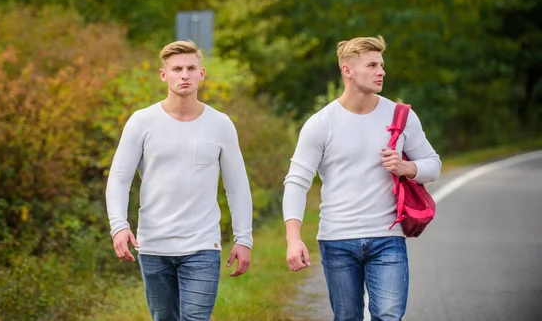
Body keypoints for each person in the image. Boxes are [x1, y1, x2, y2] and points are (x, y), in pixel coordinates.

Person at [283, 35, 441, 321]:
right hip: (337, 239)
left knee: (389, 315)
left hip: (387, 236)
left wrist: (407, 169)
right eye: (371, 65)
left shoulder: (400, 115)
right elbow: (296, 181)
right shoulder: (320, 124)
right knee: (347, 317)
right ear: (347, 70)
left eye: (381, 65)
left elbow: (433, 165)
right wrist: (293, 238)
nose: (381, 71)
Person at [106, 40, 253, 321]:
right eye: (176, 69)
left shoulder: (220, 124)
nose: (184, 75)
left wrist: (243, 238)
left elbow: (237, 187)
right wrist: (119, 226)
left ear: (202, 74)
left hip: (202, 245)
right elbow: (119, 179)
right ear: (164, 75)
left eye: (190, 68)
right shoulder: (141, 122)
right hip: (153, 245)